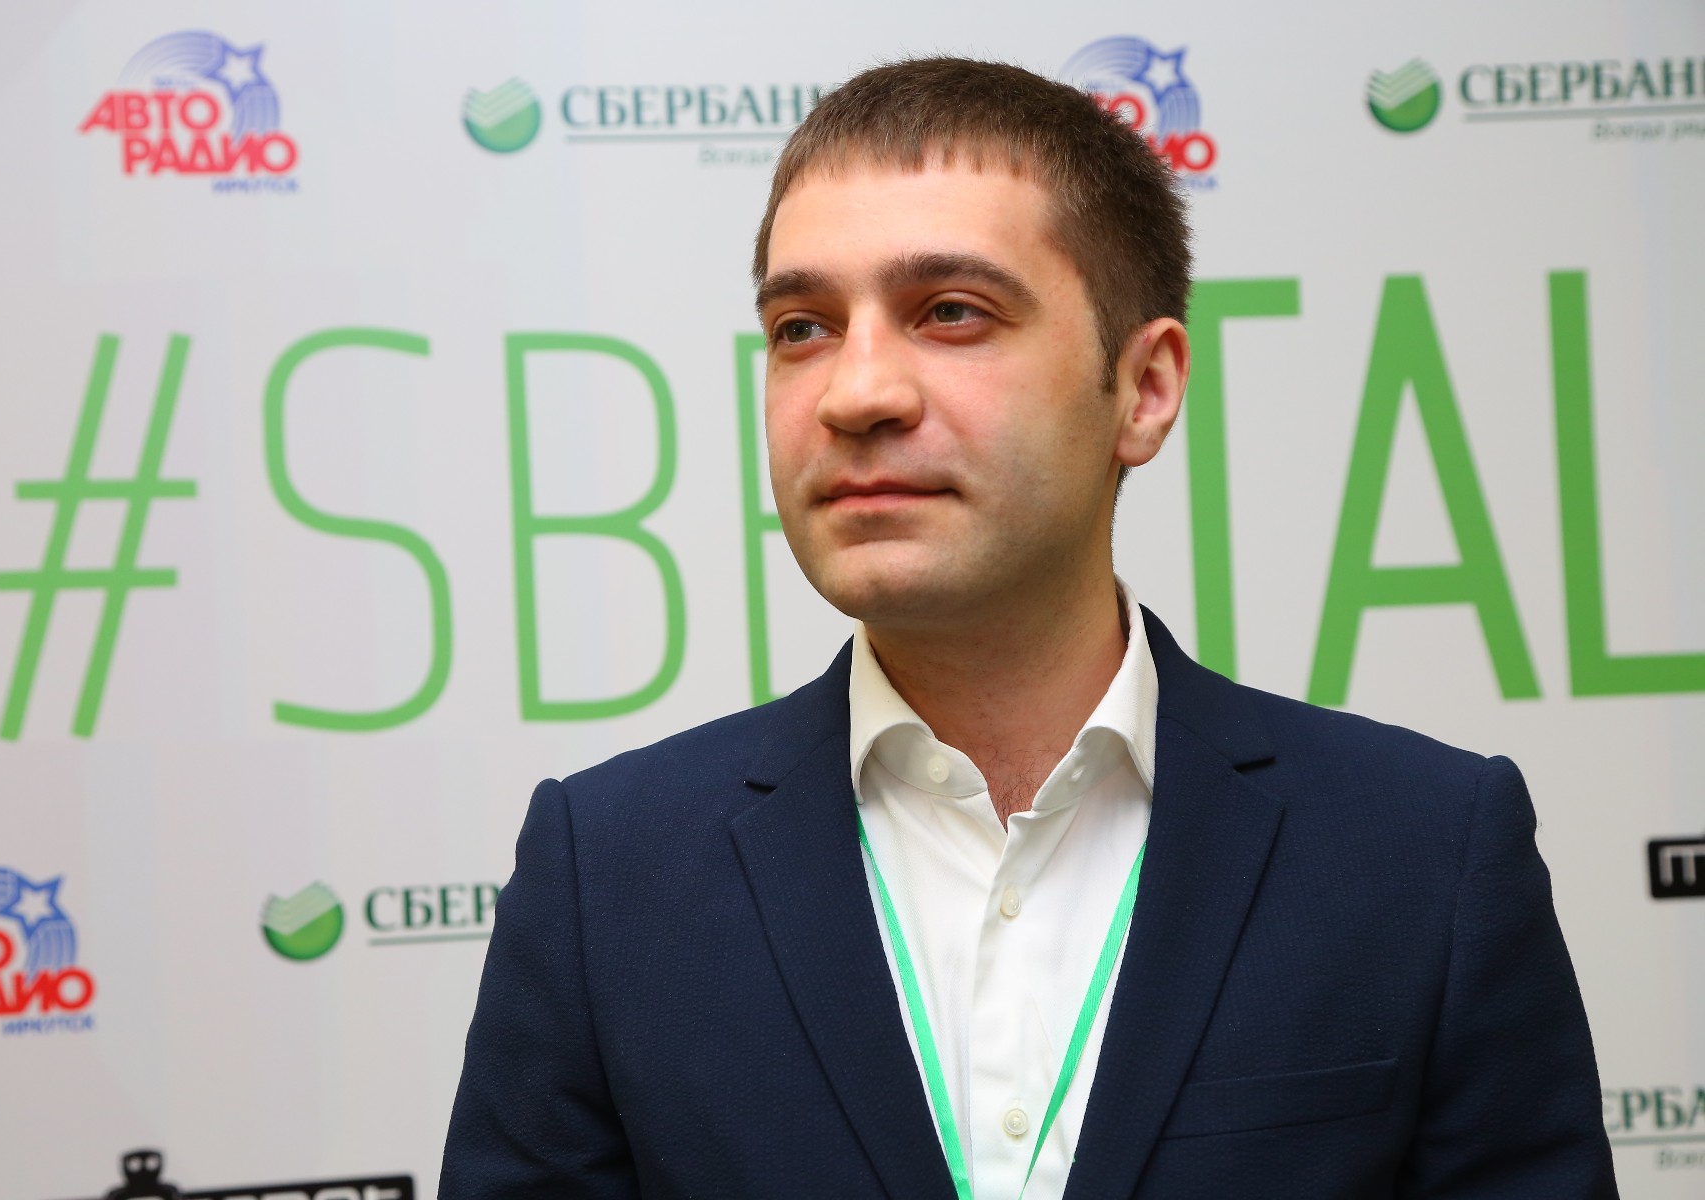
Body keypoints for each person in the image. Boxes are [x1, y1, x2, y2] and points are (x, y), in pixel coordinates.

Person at [441, 58, 1617, 1199]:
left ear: (1144, 389)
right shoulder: (608, 877)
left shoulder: (1424, 852)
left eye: (950, 312)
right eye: (802, 326)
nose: (855, 393)